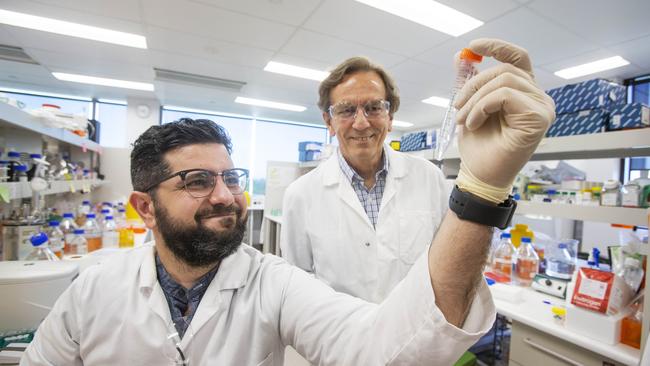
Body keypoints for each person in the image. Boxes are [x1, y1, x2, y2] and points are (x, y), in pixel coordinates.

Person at [22, 38, 554, 365]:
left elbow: (380, 345)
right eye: (196, 181)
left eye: (231, 177)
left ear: (391, 113)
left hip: (384, 341)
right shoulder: (92, 288)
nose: (226, 196)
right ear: (143, 206)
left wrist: (482, 189)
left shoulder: (271, 284)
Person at [281, 53, 449, 302]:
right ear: (329, 121)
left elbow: (445, 260)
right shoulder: (300, 194)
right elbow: (297, 280)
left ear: (390, 118)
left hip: (415, 331)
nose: (361, 123)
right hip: (340, 335)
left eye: (373, 108)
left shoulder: (429, 178)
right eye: (346, 110)